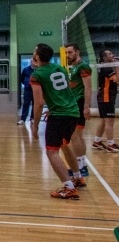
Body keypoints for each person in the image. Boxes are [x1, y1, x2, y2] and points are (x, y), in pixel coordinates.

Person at [30, 43, 84, 199]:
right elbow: (64, 91)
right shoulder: (60, 68)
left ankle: (69, 188)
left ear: (37, 56)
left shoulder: (37, 75)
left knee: (51, 151)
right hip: (73, 111)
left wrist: (35, 126)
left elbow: (38, 103)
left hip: (60, 115)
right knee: (65, 144)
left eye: (34, 51)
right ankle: (77, 177)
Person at [65, 42, 92, 176]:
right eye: (66, 53)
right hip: (74, 103)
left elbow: (88, 87)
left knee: (74, 135)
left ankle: (81, 167)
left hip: (79, 103)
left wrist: (86, 106)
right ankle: (83, 166)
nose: (67, 55)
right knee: (79, 135)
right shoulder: (74, 67)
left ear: (77, 52)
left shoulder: (83, 66)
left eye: (70, 52)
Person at [93, 49, 119, 153]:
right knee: (109, 121)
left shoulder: (104, 67)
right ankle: (111, 144)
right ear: (104, 58)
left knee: (104, 120)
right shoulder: (107, 68)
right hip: (106, 97)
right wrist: (117, 65)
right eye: (110, 54)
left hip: (105, 96)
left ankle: (97, 141)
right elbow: (118, 80)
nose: (112, 55)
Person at [17, 58, 37, 125]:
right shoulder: (26, 70)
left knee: (35, 104)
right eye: (33, 61)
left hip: (36, 90)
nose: (34, 62)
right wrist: (26, 84)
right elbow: (22, 79)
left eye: (35, 61)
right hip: (28, 90)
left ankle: (33, 118)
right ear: (31, 62)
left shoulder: (38, 70)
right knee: (26, 104)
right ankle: (23, 119)